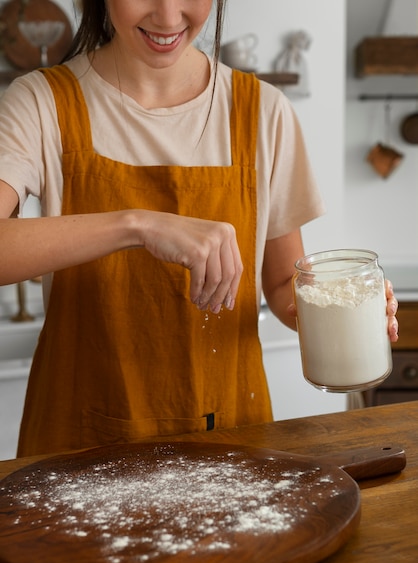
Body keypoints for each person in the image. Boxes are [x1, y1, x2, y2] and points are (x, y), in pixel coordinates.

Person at [0, 0, 398, 457]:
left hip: (230, 436)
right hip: (79, 443)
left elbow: (284, 287)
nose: (169, 18)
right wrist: (138, 224)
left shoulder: (262, 111)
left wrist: (339, 310)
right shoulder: (41, 102)